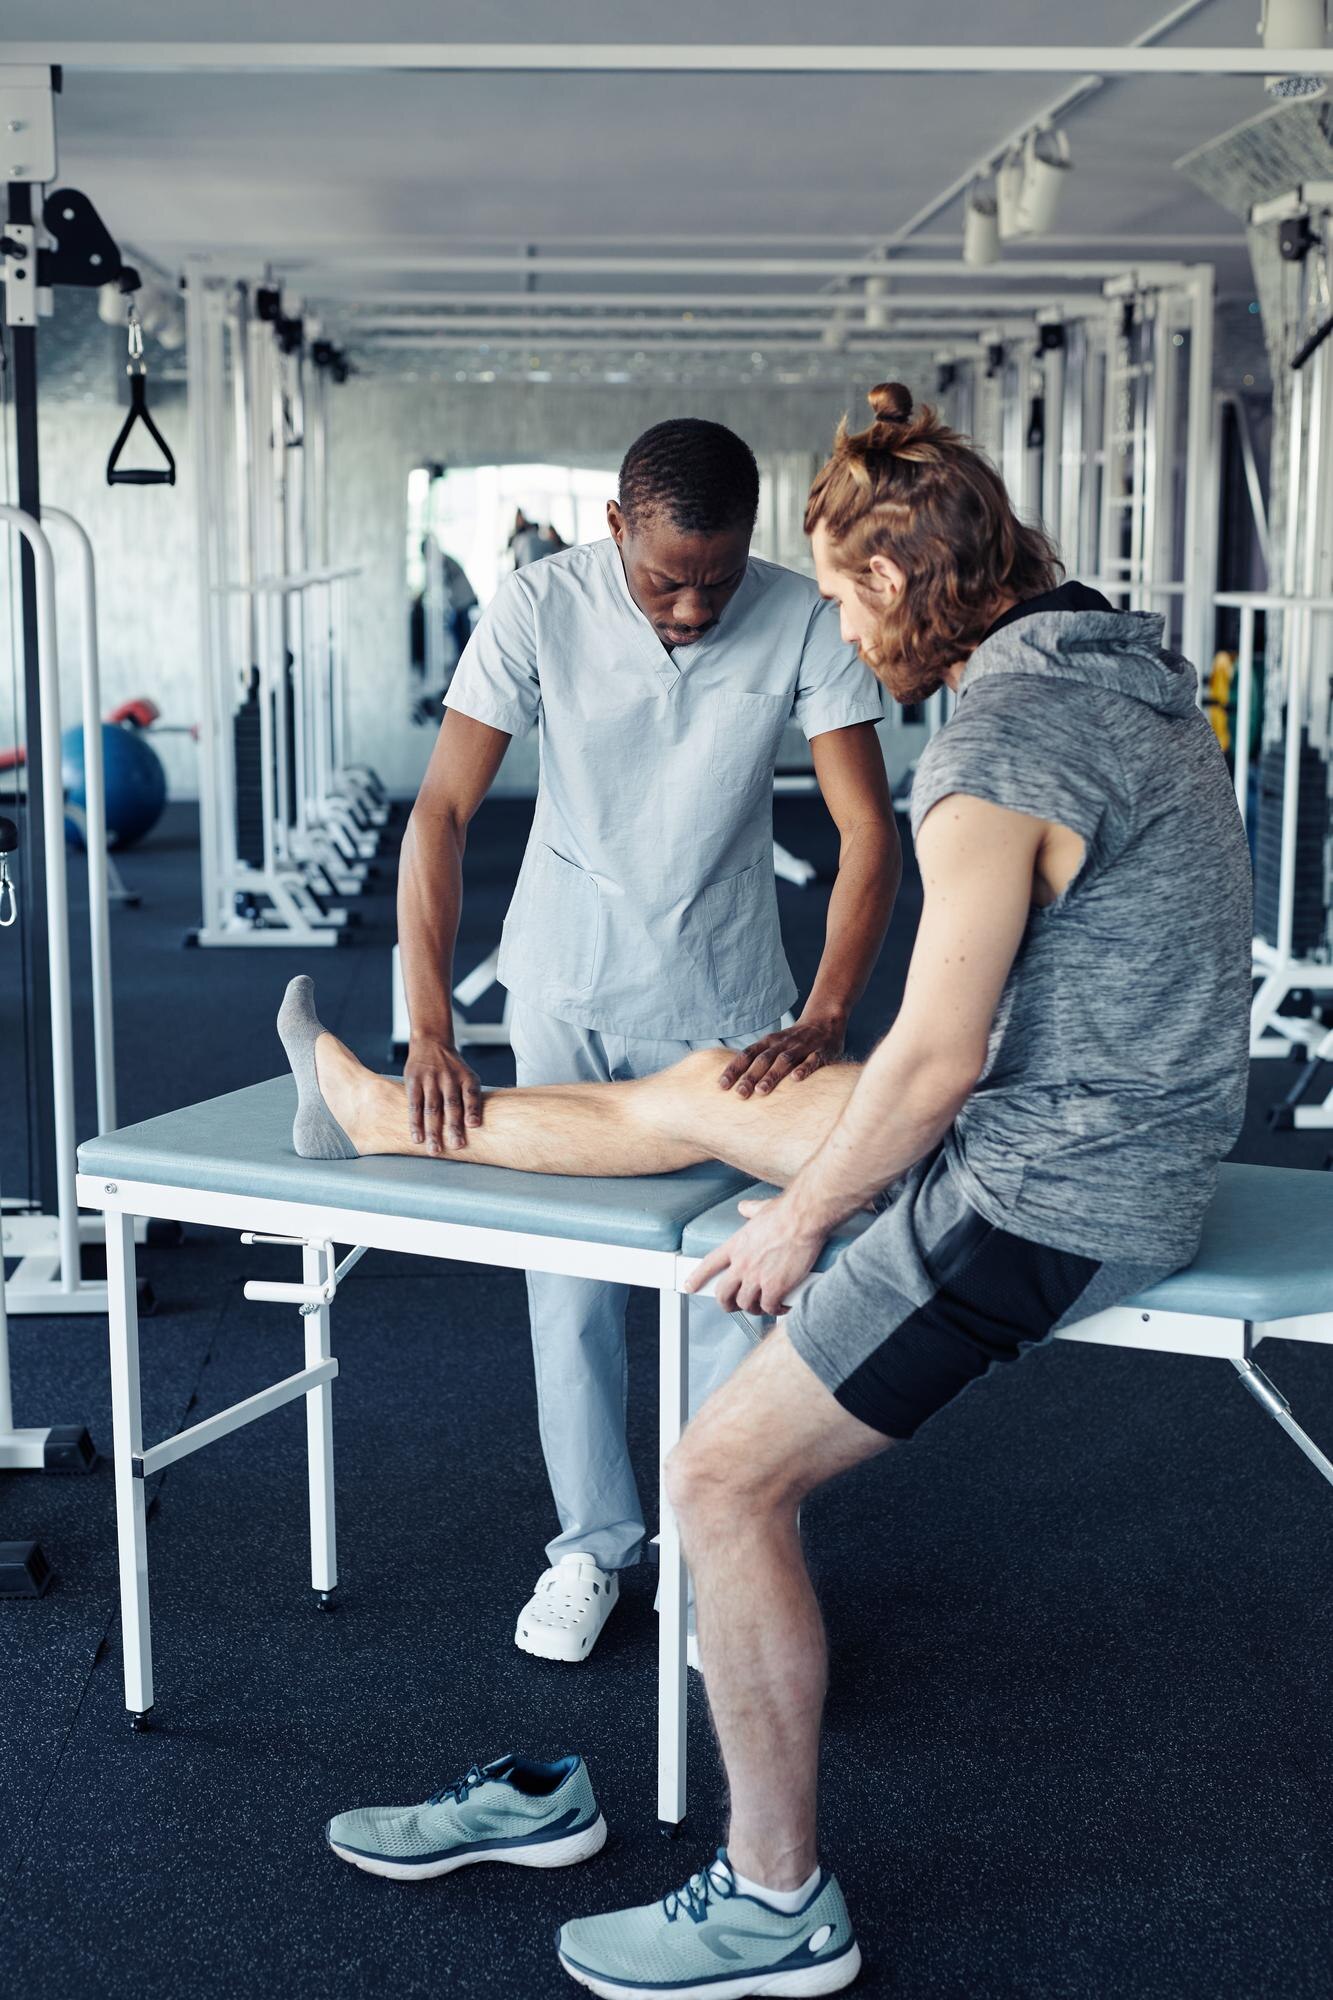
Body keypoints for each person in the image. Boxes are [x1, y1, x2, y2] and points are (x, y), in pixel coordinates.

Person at [286, 379, 1252, 1998]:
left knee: (720, 1479)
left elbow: (931, 1062)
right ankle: (385, 1115)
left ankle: (775, 1897)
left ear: (887, 580)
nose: (838, 638)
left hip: (1052, 1181)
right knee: (698, 1101)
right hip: (1096, 1116)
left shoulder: (999, 742)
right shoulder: (1112, 665)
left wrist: (804, 1224)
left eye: (843, 603)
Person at [396, 416, 897, 1667]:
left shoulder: (796, 616)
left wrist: (829, 1009)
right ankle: (590, 1546)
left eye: (715, 580)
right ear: (615, 525)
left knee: (730, 1287)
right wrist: (429, 1024)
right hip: (563, 982)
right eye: (667, 578)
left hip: (730, 999)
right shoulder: (538, 605)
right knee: (566, 1289)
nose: (691, 607)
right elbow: (444, 807)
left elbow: (865, 831)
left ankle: (707, 1550)